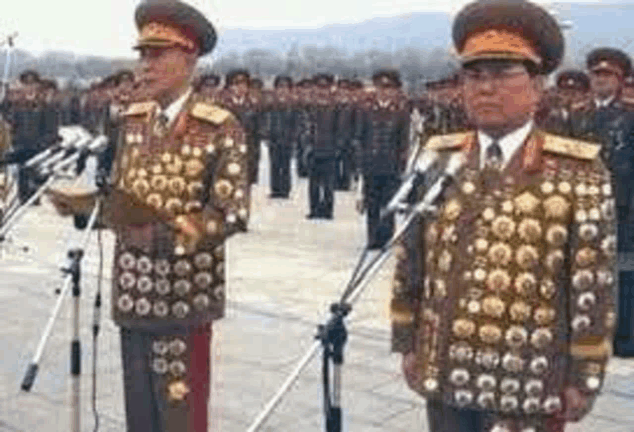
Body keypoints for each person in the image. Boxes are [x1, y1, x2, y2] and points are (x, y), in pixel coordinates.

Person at [391, 1, 617, 431]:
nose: (485, 88)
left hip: (528, 379)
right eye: (474, 75)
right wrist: (407, 341)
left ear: (537, 85)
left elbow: (592, 283)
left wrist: (585, 377)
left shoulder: (577, 171)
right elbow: (411, 259)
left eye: (501, 75)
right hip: (445, 368)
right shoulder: (438, 159)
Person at [47, 1, 250, 430]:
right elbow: (125, 195)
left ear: (189, 56)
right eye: (142, 54)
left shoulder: (220, 127)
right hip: (133, 290)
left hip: (182, 296)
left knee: (180, 413)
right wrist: (89, 211)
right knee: (140, 412)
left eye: (157, 54)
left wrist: (168, 234)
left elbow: (230, 213)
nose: (145, 65)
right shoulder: (134, 121)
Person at [568, 48, 634, 357]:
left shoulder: (630, 114)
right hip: (581, 203)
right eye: (596, 75)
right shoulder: (577, 113)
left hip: (622, 207)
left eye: (607, 76)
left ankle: (624, 336)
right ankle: (582, 329)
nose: (600, 81)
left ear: (620, 80)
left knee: (623, 270)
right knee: (582, 268)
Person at [357, 69, 409, 249]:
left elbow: (403, 141)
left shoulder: (401, 112)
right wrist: (361, 162)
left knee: (388, 203)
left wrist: (402, 164)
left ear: (395, 91)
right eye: (381, 88)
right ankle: (372, 237)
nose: (384, 92)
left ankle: (387, 238)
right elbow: (361, 137)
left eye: (389, 88)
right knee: (372, 203)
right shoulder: (367, 110)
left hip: (391, 165)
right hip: (371, 164)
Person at [268, 75, 296, 198]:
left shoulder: (293, 105)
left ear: (289, 90)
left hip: (287, 139)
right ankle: (275, 189)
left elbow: (297, 122)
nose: (282, 90)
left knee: (285, 165)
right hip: (274, 139)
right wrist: (267, 135)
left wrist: (295, 136)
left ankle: (285, 189)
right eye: (280, 87)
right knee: (274, 165)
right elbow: (267, 121)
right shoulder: (271, 104)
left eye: (285, 87)